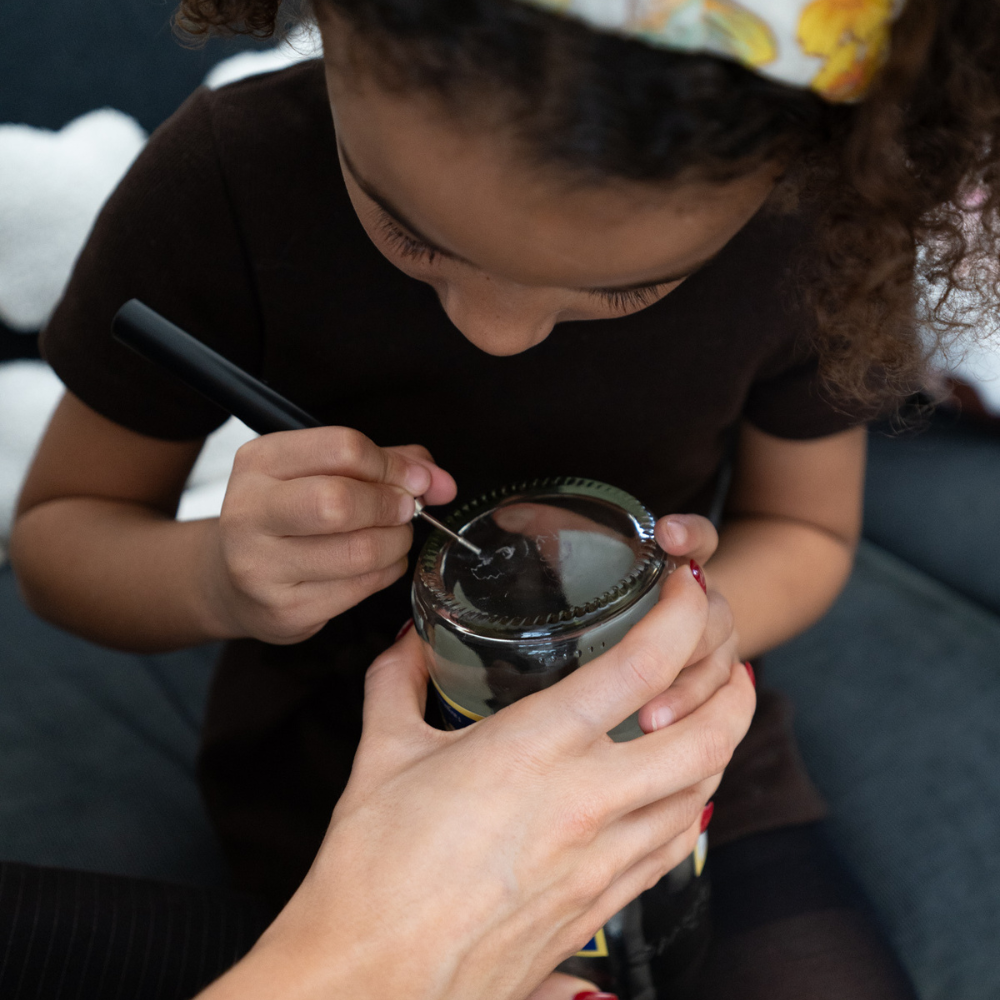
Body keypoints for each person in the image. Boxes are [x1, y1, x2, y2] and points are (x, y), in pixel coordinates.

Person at [9, 0, 998, 995]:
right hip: (342, 790)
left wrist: (687, 632)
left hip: (673, 747)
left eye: (623, 290)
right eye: (413, 237)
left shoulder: (811, 227)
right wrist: (217, 576)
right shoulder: (228, 179)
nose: (498, 333)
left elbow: (804, 527)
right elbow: (59, 537)